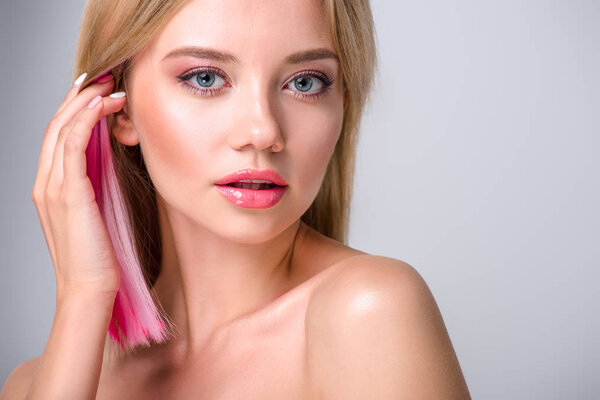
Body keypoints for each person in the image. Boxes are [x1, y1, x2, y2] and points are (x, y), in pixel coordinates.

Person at [0, 0, 471, 398]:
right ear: (118, 107)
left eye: (305, 82)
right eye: (206, 78)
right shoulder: (33, 385)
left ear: (343, 102)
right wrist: (83, 297)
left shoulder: (370, 313)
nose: (263, 132)